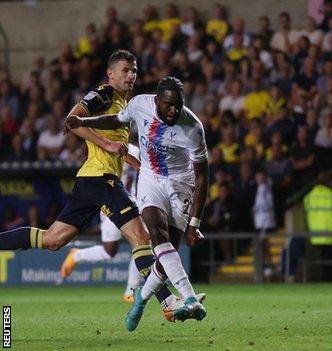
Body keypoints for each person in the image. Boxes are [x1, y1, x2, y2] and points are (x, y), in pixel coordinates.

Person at [0, 50, 191, 328]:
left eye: (134, 71)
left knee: (53, 240)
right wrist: (107, 145)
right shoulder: (102, 95)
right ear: (110, 74)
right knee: (140, 236)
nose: (131, 75)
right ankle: (167, 302)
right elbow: (72, 120)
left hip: (91, 179)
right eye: (125, 70)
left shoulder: (125, 106)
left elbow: (117, 147)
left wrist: (136, 162)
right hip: (100, 179)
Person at [65, 76, 208, 330]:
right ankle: (188, 297)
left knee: (165, 260)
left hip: (181, 183)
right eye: (168, 105)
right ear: (157, 101)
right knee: (155, 231)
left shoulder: (193, 128)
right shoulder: (140, 104)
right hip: (150, 178)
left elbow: (202, 175)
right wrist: (83, 121)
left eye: (178, 104)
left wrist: (195, 222)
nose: (174, 110)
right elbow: (116, 119)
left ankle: (140, 300)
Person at [60, 143, 142, 302]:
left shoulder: (135, 150)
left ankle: (130, 291)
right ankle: (77, 255)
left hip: (132, 202)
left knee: (142, 243)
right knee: (109, 252)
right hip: (110, 202)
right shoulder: (104, 147)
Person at [303, 174, 332, 282]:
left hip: (315, 235)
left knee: (319, 260)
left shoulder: (309, 196)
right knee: (330, 259)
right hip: (331, 233)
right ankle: (329, 279)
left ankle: (318, 279)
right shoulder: (331, 195)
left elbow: (306, 209)